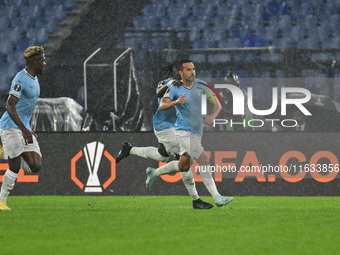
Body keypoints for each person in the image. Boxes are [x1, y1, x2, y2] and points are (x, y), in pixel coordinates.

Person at [116, 61, 214, 209]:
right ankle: (196, 200)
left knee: (162, 155)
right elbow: (159, 93)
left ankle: (129, 150)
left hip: (176, 127)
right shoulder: (166, 83)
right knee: (185, 161)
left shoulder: (189, 86)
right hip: (164, 126)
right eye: (180, 71)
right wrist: (170, 85)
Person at [145, 60, 233, 207]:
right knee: (204, 160)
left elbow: (217, 103)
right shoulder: (174, 88)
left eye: (193, 69)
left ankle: (153, 173)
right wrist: (176, 102)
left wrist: (212, 116)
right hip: (183, 133)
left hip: (197, 132)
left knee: (184, 166)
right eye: (188, 70)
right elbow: (162, 105)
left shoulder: (201, 84)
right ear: (181, 73)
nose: (192, 72)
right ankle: (217, 197)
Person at [0, 46, 46, 210]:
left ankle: (7, 151)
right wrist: (24, 129)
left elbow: (25, 108)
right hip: (10, 126)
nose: (44, 63)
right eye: (42, 60)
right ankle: (1, 202)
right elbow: (10, 105)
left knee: (36, 166)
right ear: (34, 62)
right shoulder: (21, 79)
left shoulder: (34, 78)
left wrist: (26, 128)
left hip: (23, 127)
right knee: (15, 165)